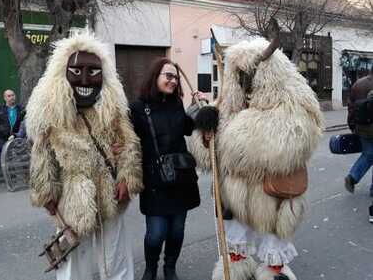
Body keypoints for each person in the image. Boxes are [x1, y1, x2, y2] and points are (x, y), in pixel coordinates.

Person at [188, 37, 323, 280]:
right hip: (235, 192)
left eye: (247, 75)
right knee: (236, 238)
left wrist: (232, 139)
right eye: (238, 75)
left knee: (274, 237)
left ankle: (274, 272)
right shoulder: (229, 103)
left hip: (272, 193)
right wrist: (205, 132)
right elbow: (209, 158)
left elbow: (292, 143)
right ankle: (238, 267)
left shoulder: (293, 97)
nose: (244, 83)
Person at [26, 31, 143, 280]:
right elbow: (42, 155)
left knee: (115, 259)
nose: (86, 79)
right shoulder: (52, 113)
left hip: (110, 197)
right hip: (72, 203)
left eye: (93, 71)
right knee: (73, 266)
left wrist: (126, 178)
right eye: (77, 71)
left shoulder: (111, 111)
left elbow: (128, 145)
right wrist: (46, 192)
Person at [129, 57, 207, 280]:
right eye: (168, 76)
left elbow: (187, 128)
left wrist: (199, 106)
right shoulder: (137, 108)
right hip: (155, 182)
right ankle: (150, 268)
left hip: (181, 179)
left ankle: (170, 267)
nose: (173, 81)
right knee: (156, 234)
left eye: (176, 77)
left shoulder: (175, 104)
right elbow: (127, 141)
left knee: (177, 231)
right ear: (156, 77)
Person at [345, 72, 373, 197]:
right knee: (369, 155)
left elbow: (351, 107)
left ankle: (352, 177)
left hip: (362, 128)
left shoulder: (358, 84)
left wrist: (352, 124)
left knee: (368, 154)